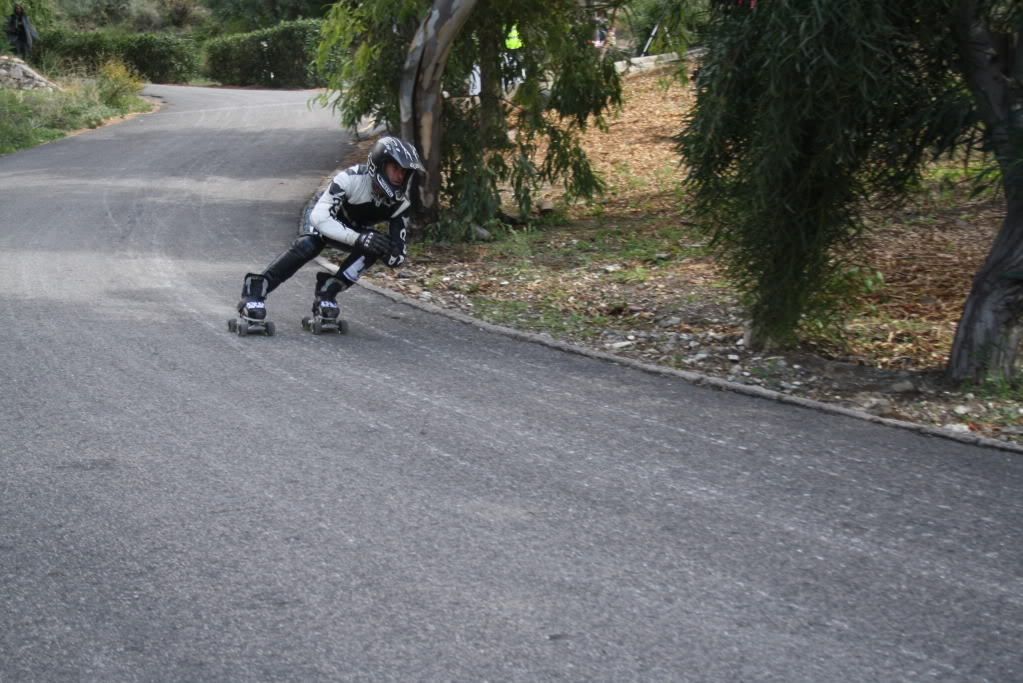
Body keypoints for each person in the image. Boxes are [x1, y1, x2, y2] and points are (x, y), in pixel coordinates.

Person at [236, 136, 424, 324]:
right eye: (395, 169)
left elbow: (397, 258)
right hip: (325, 218)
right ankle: (255, 291)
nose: (400, 176)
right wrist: (358, 238)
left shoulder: (400, 205)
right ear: (379, 165)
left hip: (354, 230)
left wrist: (389, 251)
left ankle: (327, 293)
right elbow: (319, 218)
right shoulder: (351, 178)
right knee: (310, 244)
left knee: (374, 245)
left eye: (404, 172)